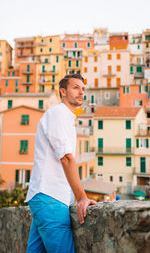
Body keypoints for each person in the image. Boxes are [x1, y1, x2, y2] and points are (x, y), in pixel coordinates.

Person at [25, 74, 96, 253]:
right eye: (75, 87)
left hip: (44, 198)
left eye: (82, 88)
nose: (81, 92)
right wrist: (82, 198)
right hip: (50, 199)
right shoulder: (58, 113)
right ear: (63, 91)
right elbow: (66, 158)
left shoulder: (65, 117)